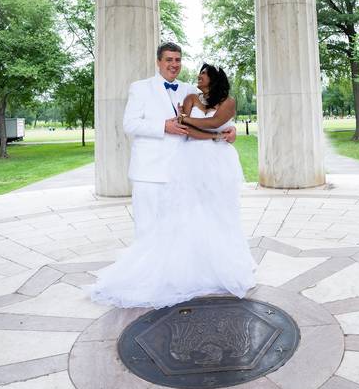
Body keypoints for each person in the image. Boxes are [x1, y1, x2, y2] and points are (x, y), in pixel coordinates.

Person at [86, 46, 255, 308]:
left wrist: (230, 130)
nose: (173, 64)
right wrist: (162, 126)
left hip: (184, 173)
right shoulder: (140, 88)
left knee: (182, 229)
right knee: (148, 230)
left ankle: (175, 280)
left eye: (177, 60)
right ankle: (145, 281)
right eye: (168, 60)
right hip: (150, 171)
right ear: (158, 62)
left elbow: (212, 112)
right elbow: (129, 124)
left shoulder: (189, 89)